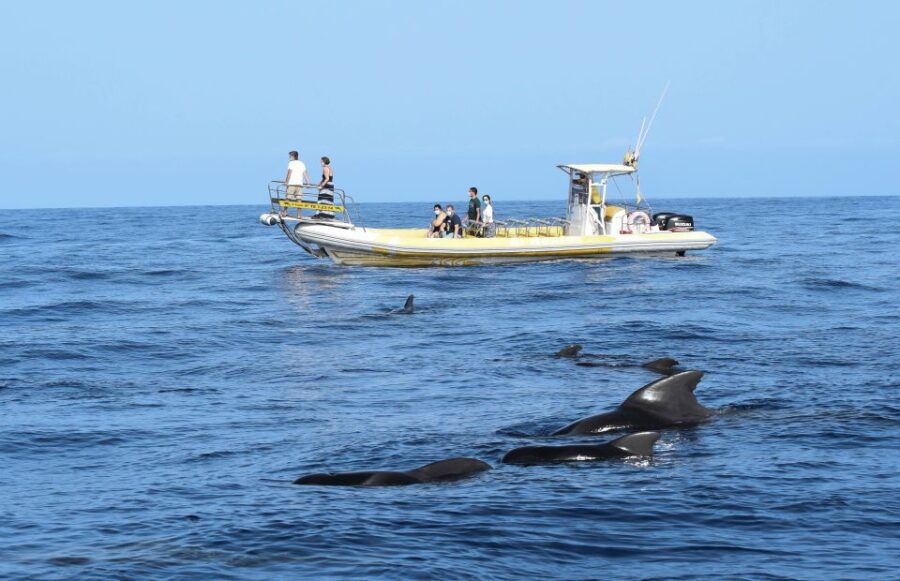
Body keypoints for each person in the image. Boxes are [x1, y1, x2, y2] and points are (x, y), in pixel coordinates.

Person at [284, 151, 310, 217]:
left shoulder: (291, 163)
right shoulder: (302, 163)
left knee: (287, 198)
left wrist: (286, 182)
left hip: (292, 184)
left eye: (290, 156)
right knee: (299, 200)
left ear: (293, 156)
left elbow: (289, 173)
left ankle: (285, 212)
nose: (289, 158)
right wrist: (308, 182)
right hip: (299, 184)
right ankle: (299, 215)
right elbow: (305, 173)